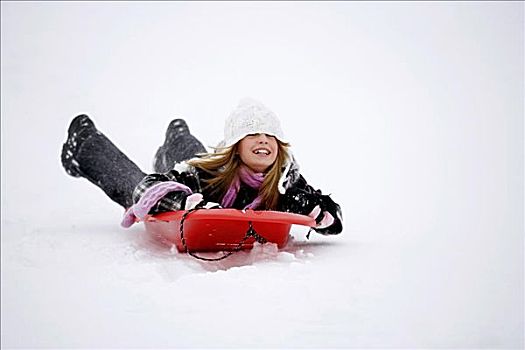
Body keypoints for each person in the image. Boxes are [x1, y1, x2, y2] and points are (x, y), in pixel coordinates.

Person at [61, 98, 343, 235]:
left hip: (207, 169)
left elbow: (332, 217)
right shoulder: (207, 172)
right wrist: (182, 201)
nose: (263, 140)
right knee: (143, 180)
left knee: (191, 155)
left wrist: (316, 212)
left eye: (271, 136)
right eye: (253, 134)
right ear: (236, 145)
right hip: (204, 175)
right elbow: (149, 188)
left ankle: (176, 138)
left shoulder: (286, 180)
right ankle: (84, 145)